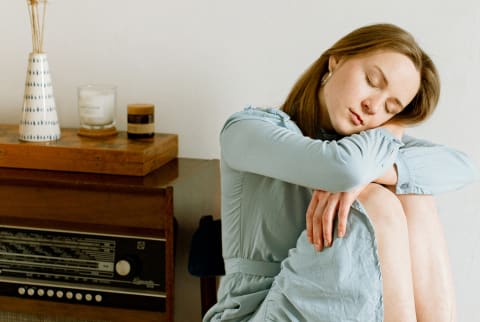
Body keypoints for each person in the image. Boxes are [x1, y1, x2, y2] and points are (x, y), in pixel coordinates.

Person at [204, 23, 478, 322]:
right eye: (372, 80)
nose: (373, 106)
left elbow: (464, 167)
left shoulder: (367, 150)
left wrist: (387, 139)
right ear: (336, 60)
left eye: (391, 107)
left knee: (414, 195)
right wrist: (382, 147)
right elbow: (343, 166)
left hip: (331, 306)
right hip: (254, 313)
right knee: (377, 199)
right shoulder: (247, 128)